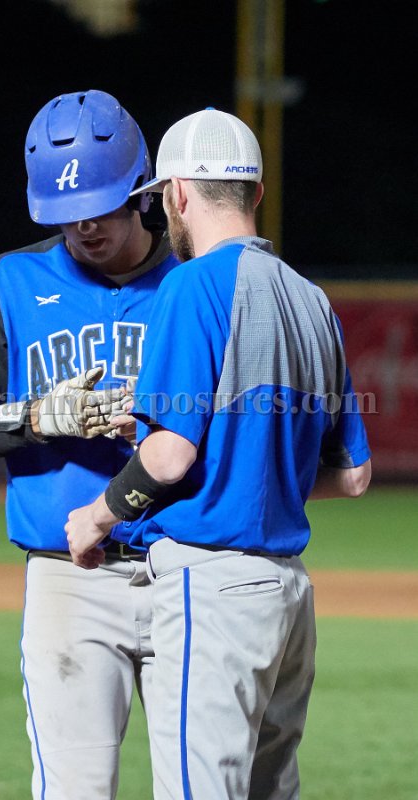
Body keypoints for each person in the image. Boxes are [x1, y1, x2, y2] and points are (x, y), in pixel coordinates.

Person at [65, 108, 372, 799]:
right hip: (289, 598)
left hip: (212, 589)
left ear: (176, 192)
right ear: (255, 192)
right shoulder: (312, 300)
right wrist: (241, 462)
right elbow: (352, 474)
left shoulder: (192, 283)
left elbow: (170, 456)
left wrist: (96, 516)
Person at [0, 89, 178, 800]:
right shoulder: (11, 281)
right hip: (69, 578)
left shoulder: (194, 281)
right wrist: (40, 417)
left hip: (189, 566)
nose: (83, 224)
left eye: (100, 205)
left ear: (141, 190)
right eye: (65, 210)